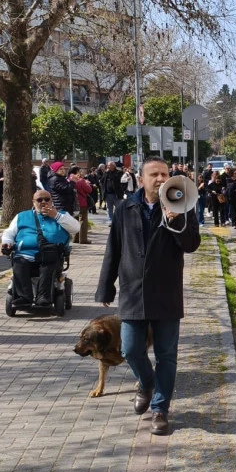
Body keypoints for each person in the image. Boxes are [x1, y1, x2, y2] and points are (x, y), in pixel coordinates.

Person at [95, 156, 201, 435]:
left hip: (166, 291)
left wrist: (175, 219)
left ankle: (160, 409)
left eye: (164, 173)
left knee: (167, 355)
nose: (161, 178)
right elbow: (114, 247)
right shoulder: (125, 207)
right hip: (133, 291)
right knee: (130, 349)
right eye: (154, 174)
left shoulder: (183, 205)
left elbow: (192, 245)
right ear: (141, 179)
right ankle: (146, 382)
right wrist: (106, 285)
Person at [0, 190, 80, 308]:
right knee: (19, 263)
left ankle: (43, 297)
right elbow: (9, 233)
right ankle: (23, 297)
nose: (43, 202)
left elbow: (76, 228)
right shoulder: (22, 216)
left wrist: (56, 216)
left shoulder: (62, 215)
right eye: (39, 200)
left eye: (47, 199)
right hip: (25, 254)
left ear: (51, 201)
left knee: (49, 266)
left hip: (51, 254)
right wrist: (7, 242)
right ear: (33, 202)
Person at [72, 168, 93, 244]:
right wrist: (87, 184)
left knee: (76, 220)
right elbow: (89, 190)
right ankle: (83, 239)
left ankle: (75, 238)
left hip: (74, 203)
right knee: (83, 220)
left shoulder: (73, 181)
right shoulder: (82, 181)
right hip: (82, 202)